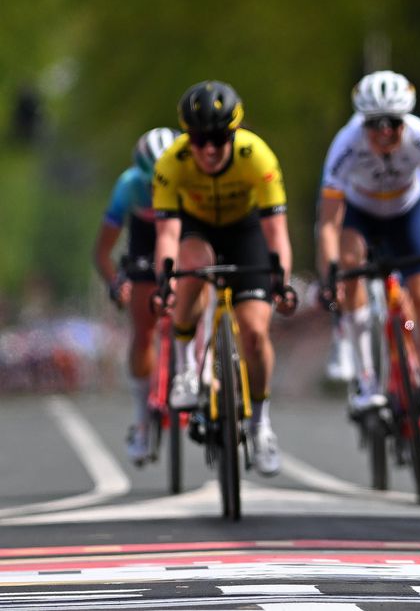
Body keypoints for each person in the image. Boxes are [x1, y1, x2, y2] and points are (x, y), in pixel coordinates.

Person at [316, 71, 420, 458]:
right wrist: (329, 272)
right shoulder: (345, 146)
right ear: (362, 123)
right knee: (349, 265)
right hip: (360, 214)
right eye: (374, 125)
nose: (384, 132)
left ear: (406, 120)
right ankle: (367, 381)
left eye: (393, 124)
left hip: (407, 215)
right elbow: (329, 222)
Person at [152, 81, 297, 476]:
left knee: (254, 333)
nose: (210, 150)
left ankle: (261, 423)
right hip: (199, 229)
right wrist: (165, 282)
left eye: (219, 139)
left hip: (245, 230)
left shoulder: (257, 157)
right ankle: (184, 368)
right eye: (199, 140)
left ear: (234, 134)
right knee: (190, 264)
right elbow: (166, 235)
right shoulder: (171, 162)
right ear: (188, 138)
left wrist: (281, 280)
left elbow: (276, 232)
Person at [92, 127, 178, 465]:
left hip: (184, 229)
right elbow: (102, 253)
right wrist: (116, 283)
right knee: (143, 328)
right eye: (151, 183)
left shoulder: (189, 177)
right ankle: (143, 420)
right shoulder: (128, 187)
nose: (158, 190)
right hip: (145, 238)